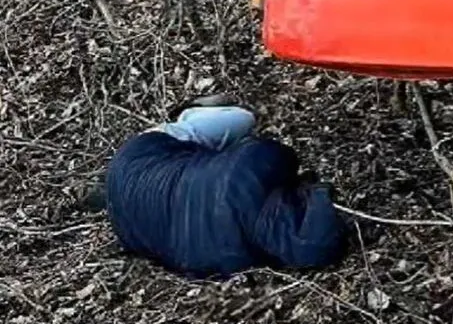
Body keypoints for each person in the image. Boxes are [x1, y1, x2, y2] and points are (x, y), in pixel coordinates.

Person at [87, 94, 348, 279]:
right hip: (130, 219)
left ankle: (192, 118)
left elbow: (271, 153)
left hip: (143, 159)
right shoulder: (231, 261)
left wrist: (312, 186)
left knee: (242, 121)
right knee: (242, 121)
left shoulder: (234, 259)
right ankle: (192, 121)